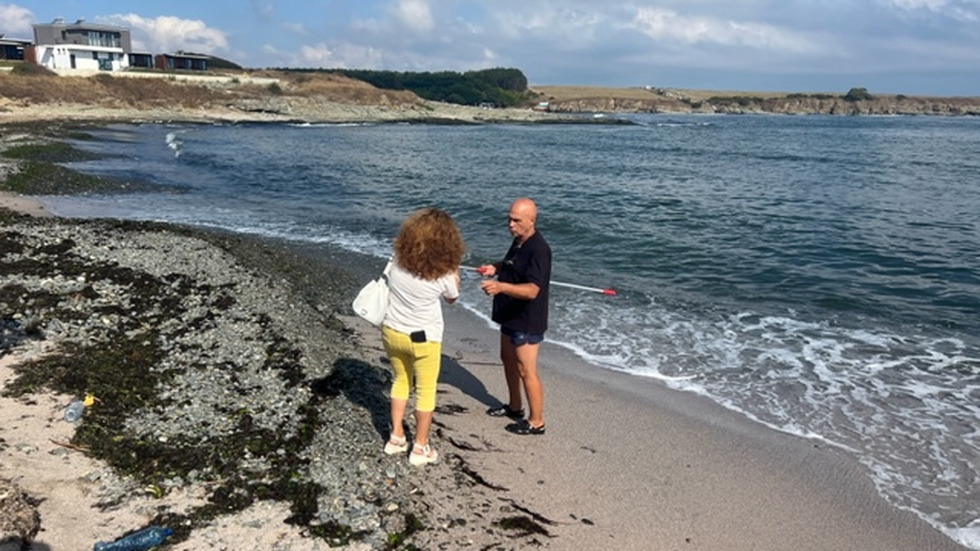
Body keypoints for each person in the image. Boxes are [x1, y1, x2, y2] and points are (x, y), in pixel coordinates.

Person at [381, 208, 464, 466]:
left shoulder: (397, 261)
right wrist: (456, 272)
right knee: (426, 390)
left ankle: (395, 438)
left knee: (401, 381)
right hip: (423, 338)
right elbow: (452, 298)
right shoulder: (445, 273)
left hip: (392, 331)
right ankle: (420, 447)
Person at [478, 197, 551, 435]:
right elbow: (512, 264)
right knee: (507, 359)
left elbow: (533, 290)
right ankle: (514, 406)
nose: (511, 224)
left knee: (525, 369)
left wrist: (500, 287)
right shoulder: (519, 241)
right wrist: (495, 269)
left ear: (532, 220)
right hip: (510, 313)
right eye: (509, 219)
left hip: (528, 319)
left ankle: (537, 421)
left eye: (517, 220)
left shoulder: (539, 249)